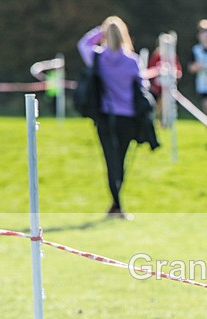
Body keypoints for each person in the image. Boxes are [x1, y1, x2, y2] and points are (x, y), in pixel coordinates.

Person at [77, 16, 144, 219]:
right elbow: (142, 87)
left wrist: (101, 30)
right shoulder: (132, 60)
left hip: (106, 116)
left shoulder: (98, 57)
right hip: (128, 117)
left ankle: (116, 204)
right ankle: (117, 204)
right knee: (121, 160)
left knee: (110, 160)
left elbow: (82, 44)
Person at [146, 32, 182, 125]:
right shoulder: (156, 56)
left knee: (165, 104)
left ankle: (164, 121)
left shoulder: (173, 57)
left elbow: (178, 71)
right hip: (156, 88)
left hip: (167, 88)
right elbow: (150, 70)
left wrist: (174, 73)